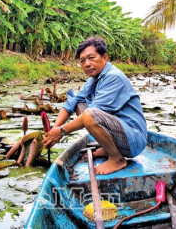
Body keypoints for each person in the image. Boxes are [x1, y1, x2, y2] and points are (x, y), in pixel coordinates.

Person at [43, 37, 147, 175]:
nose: (87, 64)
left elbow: (92, 114)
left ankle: (117, 159)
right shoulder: (93, 80)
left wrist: (61, 131)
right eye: (82, 61)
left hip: (133, 140)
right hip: (121, 134)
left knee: (89, 114)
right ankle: (107, 147)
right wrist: (54, 129)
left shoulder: (113, 77)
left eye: (91, 58)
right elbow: (71, 102)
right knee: (80, 104)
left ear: (105, 57)